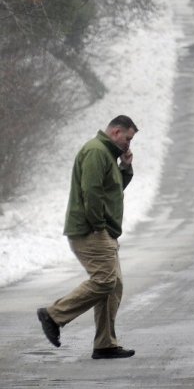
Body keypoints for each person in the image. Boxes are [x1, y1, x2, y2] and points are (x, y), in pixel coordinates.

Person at [37, 115, 139, 359]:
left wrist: (124, 167)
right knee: (105, 281)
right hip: (91, 230)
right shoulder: (96, 152)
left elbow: (111, 191)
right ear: (115, 132)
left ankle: (105, 344)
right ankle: (53, 315)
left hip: (100, 229)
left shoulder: (107, 155)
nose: (129, 144)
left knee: (113, 285)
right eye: (127, 138)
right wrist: (98, 225)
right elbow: (91, 192)